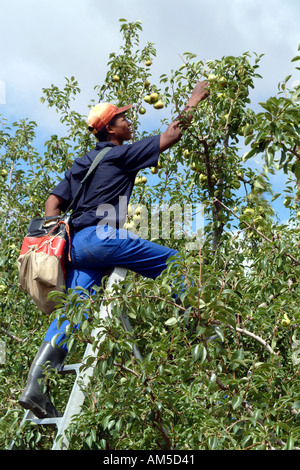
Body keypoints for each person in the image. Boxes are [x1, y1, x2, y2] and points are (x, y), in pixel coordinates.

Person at [19, 81, 209, 418]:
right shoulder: (121, 154)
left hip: (77, 247)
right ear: (110, 129)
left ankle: (36, 386)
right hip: (99, 237)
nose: (129, 122)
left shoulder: (84, 162)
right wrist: (194, 100)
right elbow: (171, 135)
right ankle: (198, 325)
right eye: (123, 119)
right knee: (176, 261)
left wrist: (55, 235)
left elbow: (53, 201)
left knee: (71, 312)